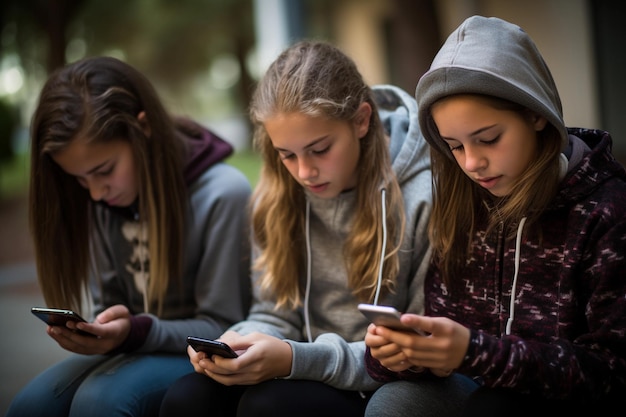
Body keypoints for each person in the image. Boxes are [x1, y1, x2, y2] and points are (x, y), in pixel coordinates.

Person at [364, 15, 626, 417]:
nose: (472, 163)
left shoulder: (606, 210)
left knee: (495, 406)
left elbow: (610, 370)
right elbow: (445, 331)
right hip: (479, 389)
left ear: (536, 114)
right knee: (395, 402)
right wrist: (402, 353)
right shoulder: (464, 203)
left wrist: (476, 351)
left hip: (569, 398)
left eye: (488, 139)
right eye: (454, 145)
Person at [158, 40, 434, 417]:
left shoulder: (422, 198)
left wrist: (293, 359)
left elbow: (417, 352)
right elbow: (275, 313)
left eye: (320, 149)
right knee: (189, 397)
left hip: (384, 378)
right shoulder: (276, 197)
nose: (304, 172)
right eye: (286, 155)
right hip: (303, 363)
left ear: (361, 120)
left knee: (267, 407)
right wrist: (236, 343)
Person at [6, 56, 252, 417]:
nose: (94, 193)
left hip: (205, 356)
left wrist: (135, 332)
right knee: (30, 405)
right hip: (137, 348)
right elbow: (112, 304)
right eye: (79, 179)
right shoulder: (104, 198)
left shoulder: (223, 193)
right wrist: (99, 330)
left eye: (104, 170)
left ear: (144, 127)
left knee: (101, 402)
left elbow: (221, 325)